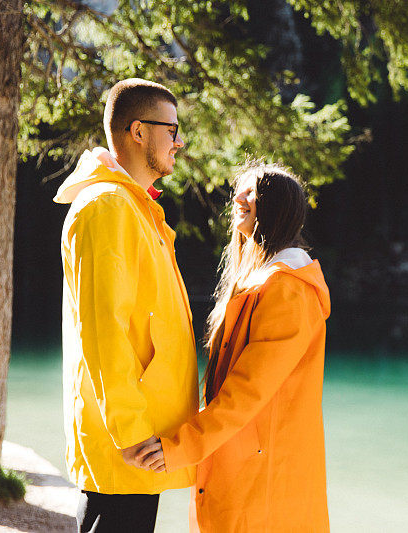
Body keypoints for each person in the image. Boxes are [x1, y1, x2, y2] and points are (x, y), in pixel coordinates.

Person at [131, 161, 331, 532]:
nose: (238, 197)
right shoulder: (261, 281)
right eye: (240, 189)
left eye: (253, 191)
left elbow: (246, 393)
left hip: (265, 478)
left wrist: (180, 447)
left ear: (277, 208)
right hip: (243, 465)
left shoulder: (289, 291)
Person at [55, 78, 199, 532]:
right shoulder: (107, 207)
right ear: (138, 132)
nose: (180, 142)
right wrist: (132, 430)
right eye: (171, 130)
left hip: (140, 441)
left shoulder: (135, 207)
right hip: (128, 442)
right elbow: (102, 331)